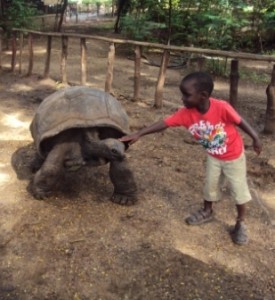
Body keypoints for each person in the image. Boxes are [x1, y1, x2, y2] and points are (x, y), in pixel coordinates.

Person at [120, 71, 262, 245]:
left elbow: (240, 121)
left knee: (239, 191)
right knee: (210, 186)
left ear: (203, 96)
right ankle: (207, 211)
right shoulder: (186, 113)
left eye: (186, 95)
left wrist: (255, 137)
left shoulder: (221, 107)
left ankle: (241, 222)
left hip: (233, 156)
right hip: (213, 156)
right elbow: (164, 123)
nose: (182, 99)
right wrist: (139, 133)